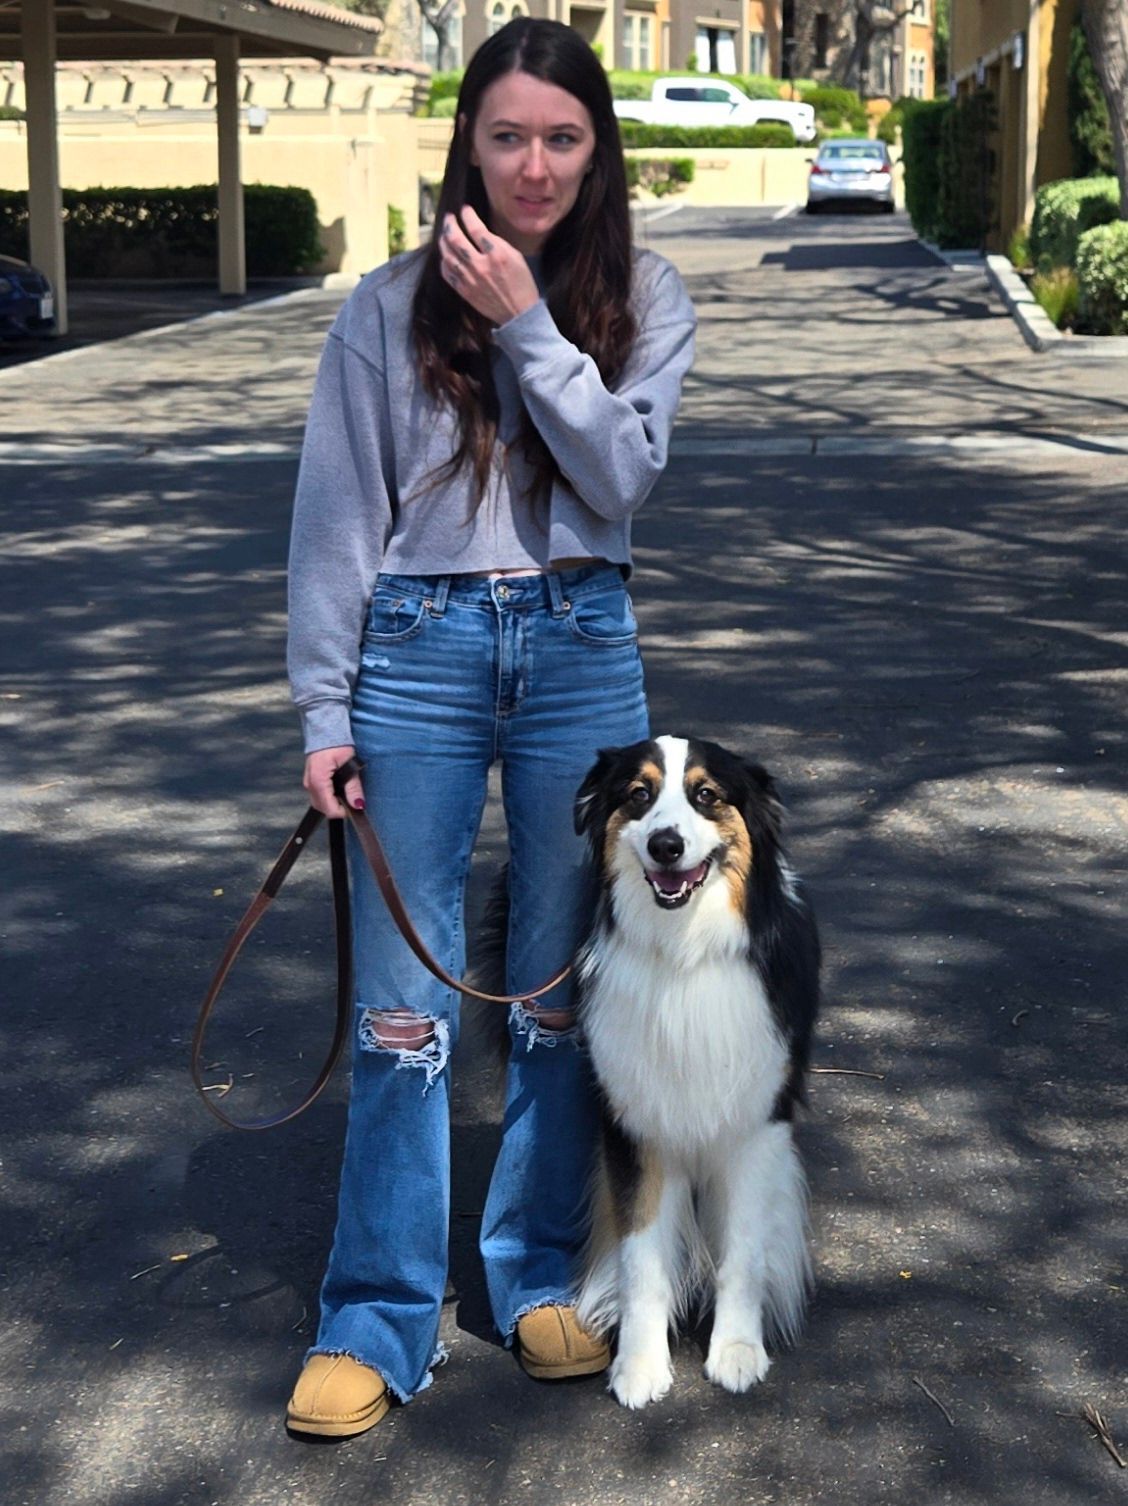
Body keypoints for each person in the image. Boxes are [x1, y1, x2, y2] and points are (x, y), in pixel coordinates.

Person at [283, 16, 696, 1438]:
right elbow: (336, 521)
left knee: (567, 994)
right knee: (406, 1005)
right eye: (507, 135)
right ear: (468, 139)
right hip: (421, 649)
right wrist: (322, 707)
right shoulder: (383, 309)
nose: (532, 165)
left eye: (562, 138)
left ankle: (534, 1273)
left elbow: (619, 476)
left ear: (599, 152)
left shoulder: (648, 297)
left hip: (586, 646)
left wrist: (529, 321)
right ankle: (378, 1310)